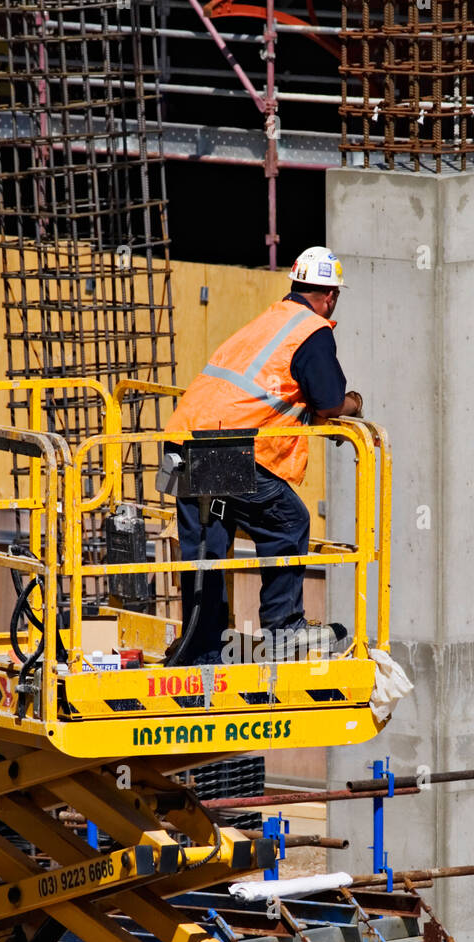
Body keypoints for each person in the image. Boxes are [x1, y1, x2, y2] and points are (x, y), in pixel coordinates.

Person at [163, 245, 363, 664]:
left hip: (180, 443)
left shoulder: (270, 318)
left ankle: (200, 648)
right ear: (330, 296)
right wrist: (355, 404)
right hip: (222, 449)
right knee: (289, 520)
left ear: (295, 285)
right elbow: (328, 404)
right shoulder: (311, 330)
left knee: (207, 548)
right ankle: (285, 628)